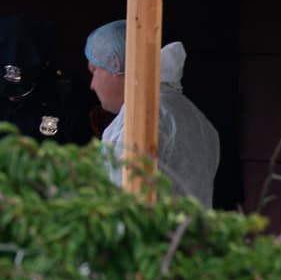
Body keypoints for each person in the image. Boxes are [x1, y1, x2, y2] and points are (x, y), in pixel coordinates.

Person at [85, 20, 220, 206]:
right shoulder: (190, 114)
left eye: (94, 71)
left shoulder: (142, 117)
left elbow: (123, 208)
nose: (92, 85)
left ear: (114, 64)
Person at [0, 13, 95, 145]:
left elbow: (82, 153)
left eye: (24, 89)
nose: (13, 97)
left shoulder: (67, 93)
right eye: (4, 86)